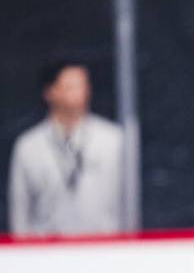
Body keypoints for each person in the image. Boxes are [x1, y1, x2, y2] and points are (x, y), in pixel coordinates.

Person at [7, 60, 123, 236]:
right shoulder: (28, 146)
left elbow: (128, 204)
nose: (80, 92)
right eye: (71, 86)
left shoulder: (113, 140)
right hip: (45, 253)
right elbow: (20, 211)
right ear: (50, 92)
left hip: (103, 250)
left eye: (83, 85)